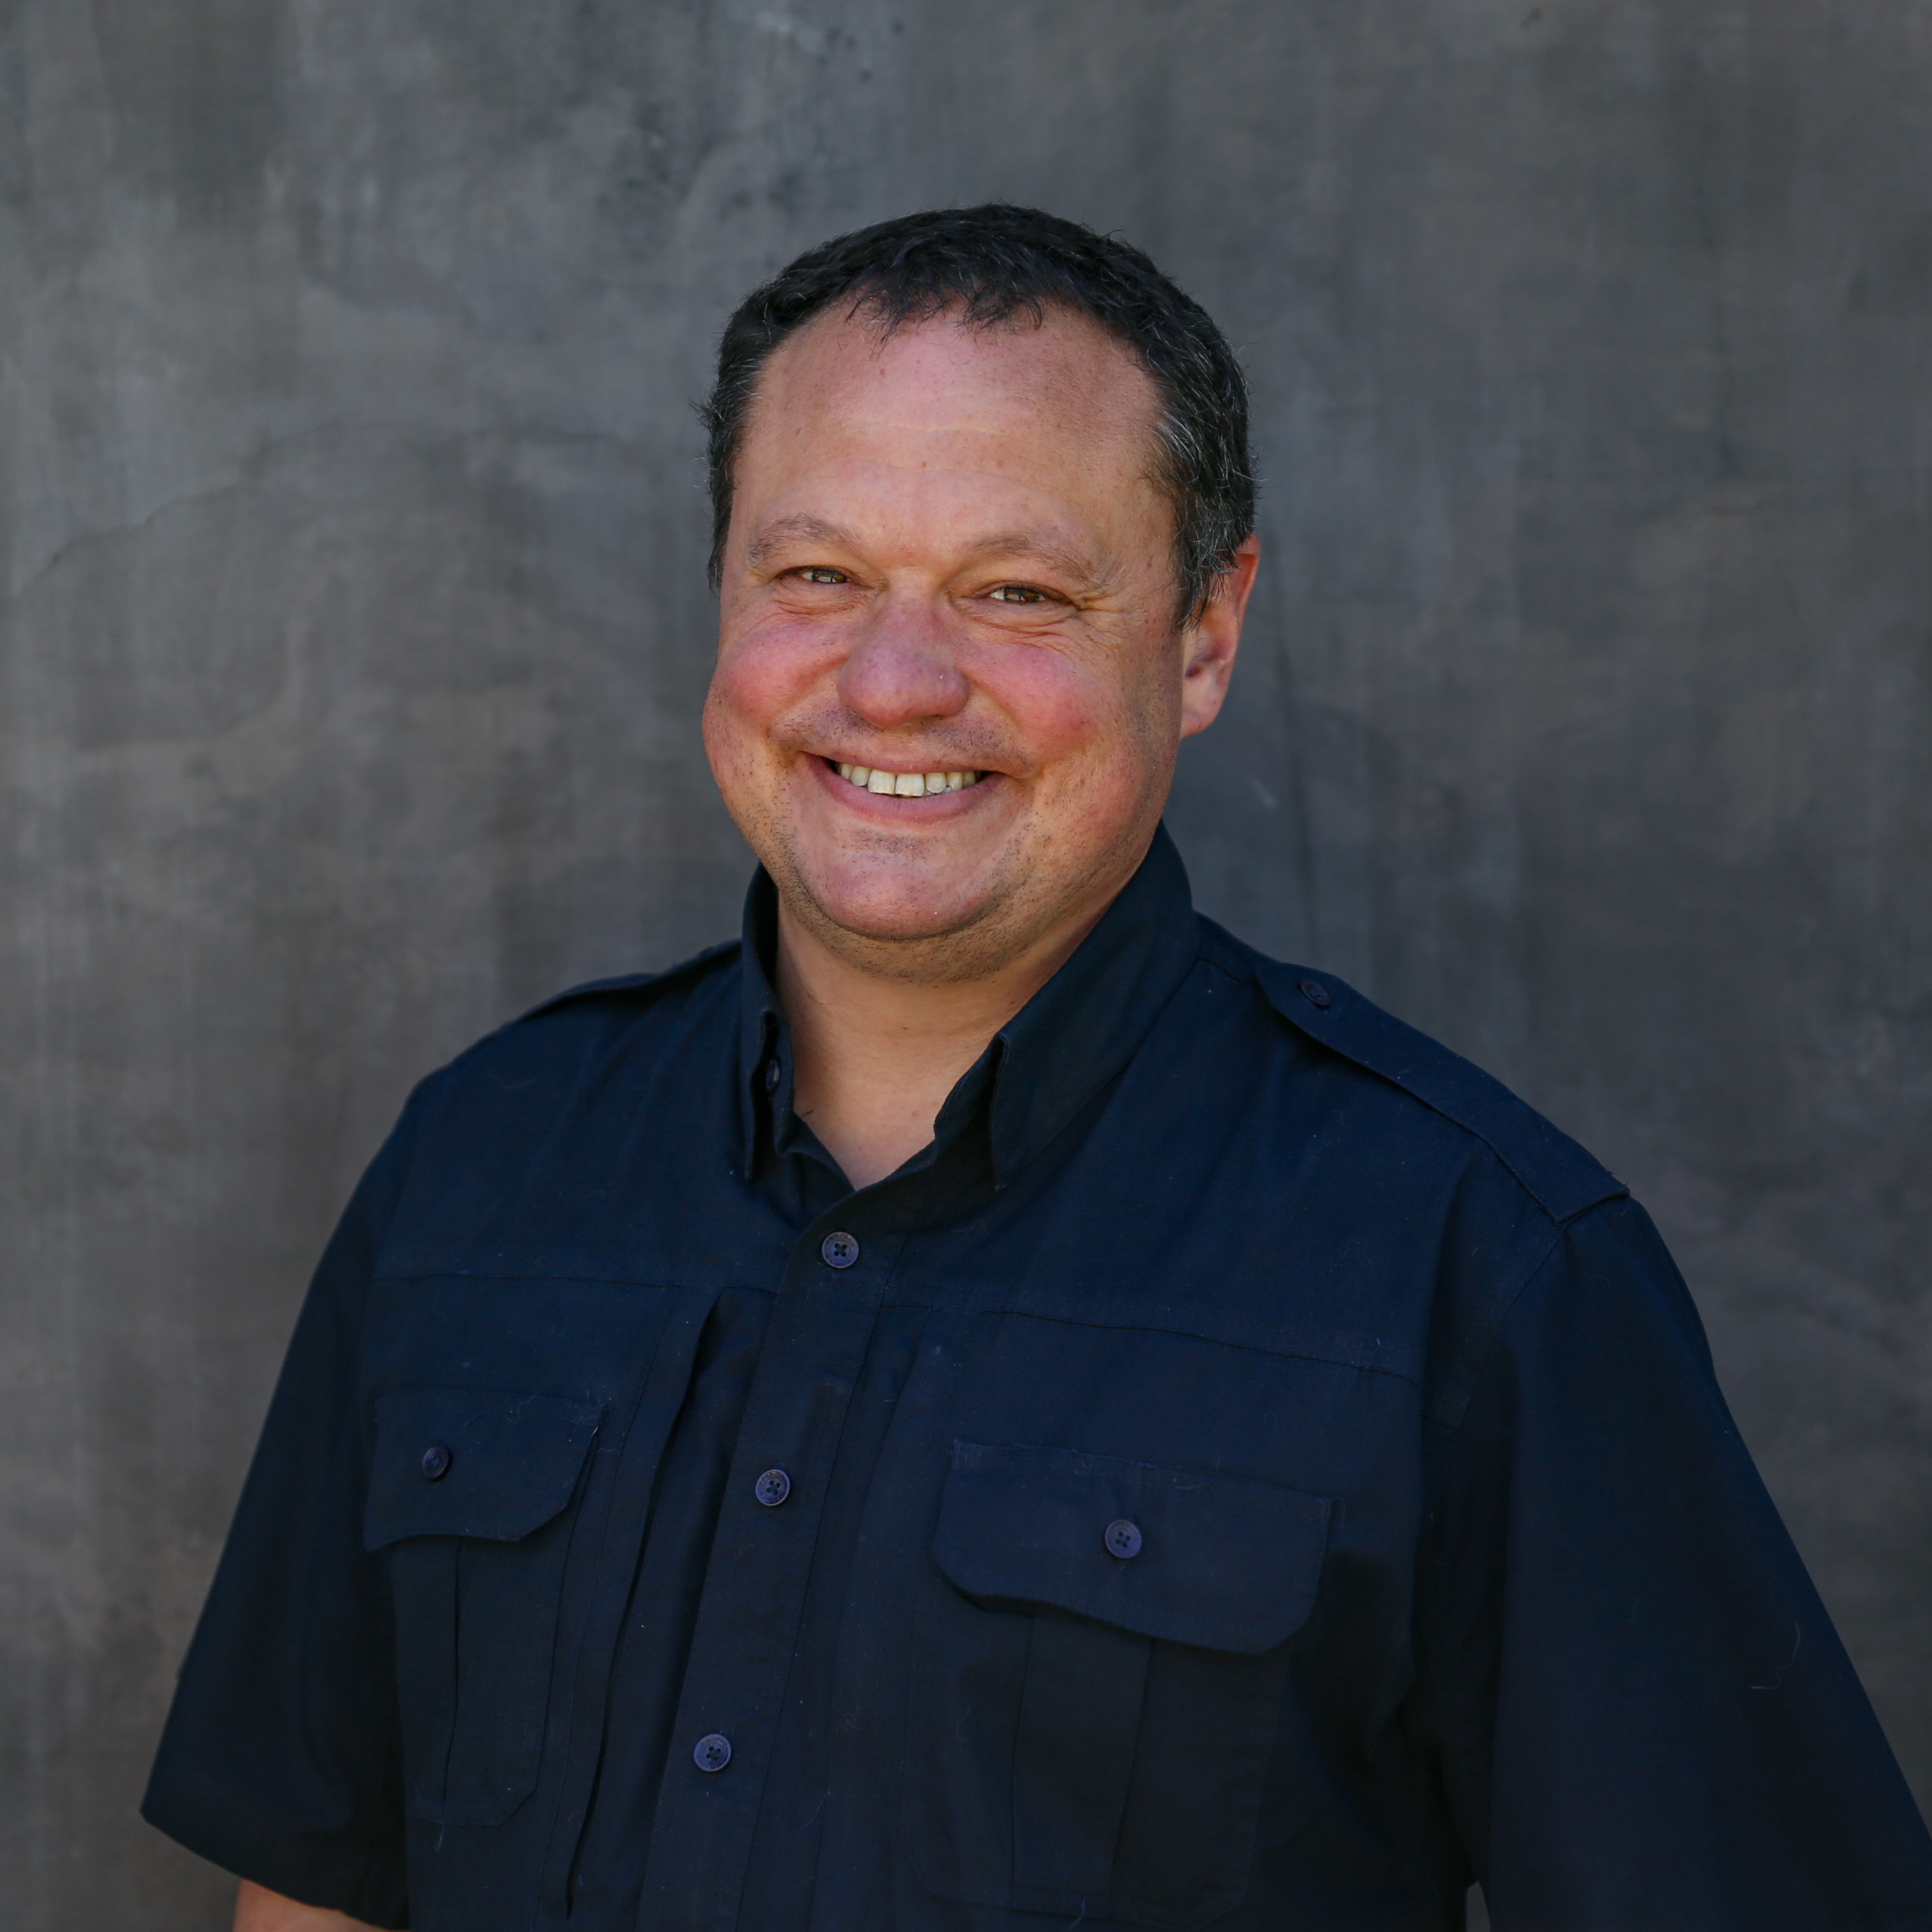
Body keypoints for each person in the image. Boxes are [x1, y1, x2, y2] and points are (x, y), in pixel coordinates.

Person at [144, 205, 1931, 1932]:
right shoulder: (480, 1171)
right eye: (817, 573)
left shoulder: (1481, 1266)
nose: (895, 679)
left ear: (1204, 633)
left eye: (1015, 589)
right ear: (722, 591)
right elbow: (323, 1875)